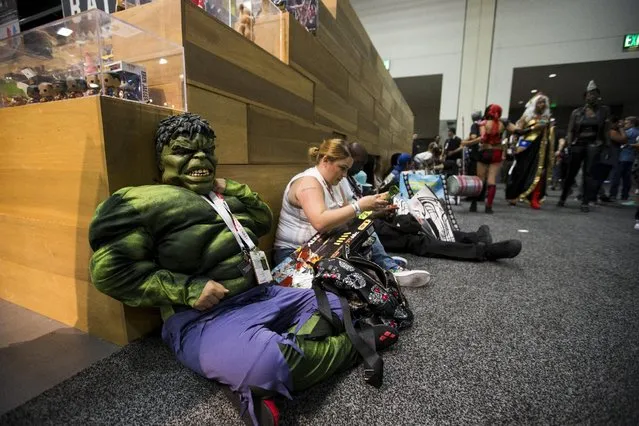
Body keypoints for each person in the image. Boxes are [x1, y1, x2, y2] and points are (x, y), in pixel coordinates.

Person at [88, 114, 375, 426]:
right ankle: (354, 343)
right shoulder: (141, 202)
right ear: (162, 159)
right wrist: (187, 289)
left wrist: (233, 188)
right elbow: (108, 272)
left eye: (207, 150)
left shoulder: (223, 196)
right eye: (184, 151)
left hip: (261, 294)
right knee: (267, 364)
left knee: (337, 304)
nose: (200, 160)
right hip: (202, 319)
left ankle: (265, 367)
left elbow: (262, 220)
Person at [273, 139, 430, 287]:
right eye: (342, 168)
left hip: (321, 247)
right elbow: (320, 221)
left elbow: (349, 218)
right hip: (295, 255)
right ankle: (379, 265)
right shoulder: (309, 182)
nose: (344, 175)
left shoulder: (335, 183)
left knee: (363, 226)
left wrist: (374, 210)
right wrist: (359, 206)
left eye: (347, 169)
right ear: (326, 160)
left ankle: (383, 264)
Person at [342, 143, 523, 262]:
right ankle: (483, 251)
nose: (360, 167)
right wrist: (377, 211)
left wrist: (382, 208)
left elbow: (365, 203)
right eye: (357, 163)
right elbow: (346, 216)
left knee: (425, 224)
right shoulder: (336, 180)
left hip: (370, 219)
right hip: (361, 229)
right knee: (416, 240)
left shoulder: (349, 178)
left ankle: (473, 237)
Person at [557, 81, 614, 212]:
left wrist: (607, 146)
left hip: (594, 143)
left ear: (598, 96)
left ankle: (585, 201)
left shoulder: (604, 111)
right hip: (578, 143)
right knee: (571, 172)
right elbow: (570, 130)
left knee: (589, 174)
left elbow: (606, 130)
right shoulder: (577, 112)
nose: (591, 97)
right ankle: (563, 197)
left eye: (594, 94)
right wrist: (570, 144)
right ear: (585, 96)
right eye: (589, 94)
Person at [461, 104, 517, 213]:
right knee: (491, 180)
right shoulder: (503, 123)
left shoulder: (482, 124)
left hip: (483, 152)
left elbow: (479, 138)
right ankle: (489, 206)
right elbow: (518, 130)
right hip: (496, 152)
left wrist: (466, 142)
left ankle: (474, 204)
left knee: (479, 180)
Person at [505, 93, 555, 209]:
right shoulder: (526, 117)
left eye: (544, 102)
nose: (542, 105)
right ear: (534, 104)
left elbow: (549, 136)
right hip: (525, 148)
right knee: (520, 171)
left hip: (540, 150)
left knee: (538, 173)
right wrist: (513, 146)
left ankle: (534, 198)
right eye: (539, 102)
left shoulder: (546, 119)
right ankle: (514, 196)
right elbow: (517, 131)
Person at [608, 116, 639, 201]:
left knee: (616, 177)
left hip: (622, 157)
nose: (624, 124)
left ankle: (613, 195)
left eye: (626, 123)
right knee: (627, 179)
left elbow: (621, 138)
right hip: (631, 158)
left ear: (632, 123)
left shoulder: (629, 132)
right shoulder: (638, 132)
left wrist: (620, 128)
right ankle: (624, 196)